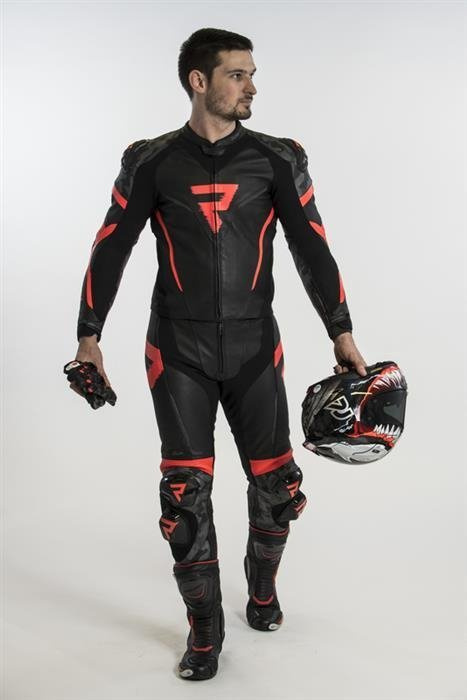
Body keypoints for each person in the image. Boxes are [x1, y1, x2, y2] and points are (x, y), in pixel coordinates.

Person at [68, 27, 367, 681]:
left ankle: (261, 586)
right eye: (238, 74)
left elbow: (311, 245)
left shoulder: (278, 158)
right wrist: (89, 335)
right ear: (198, 81)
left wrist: (340, 331)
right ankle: (204, 628)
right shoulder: (149, 161)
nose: (251, 86)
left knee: (278, 488)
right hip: (177, 350)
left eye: (251, 74)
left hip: (256, 347)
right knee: (184, 495)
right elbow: (112, 244)